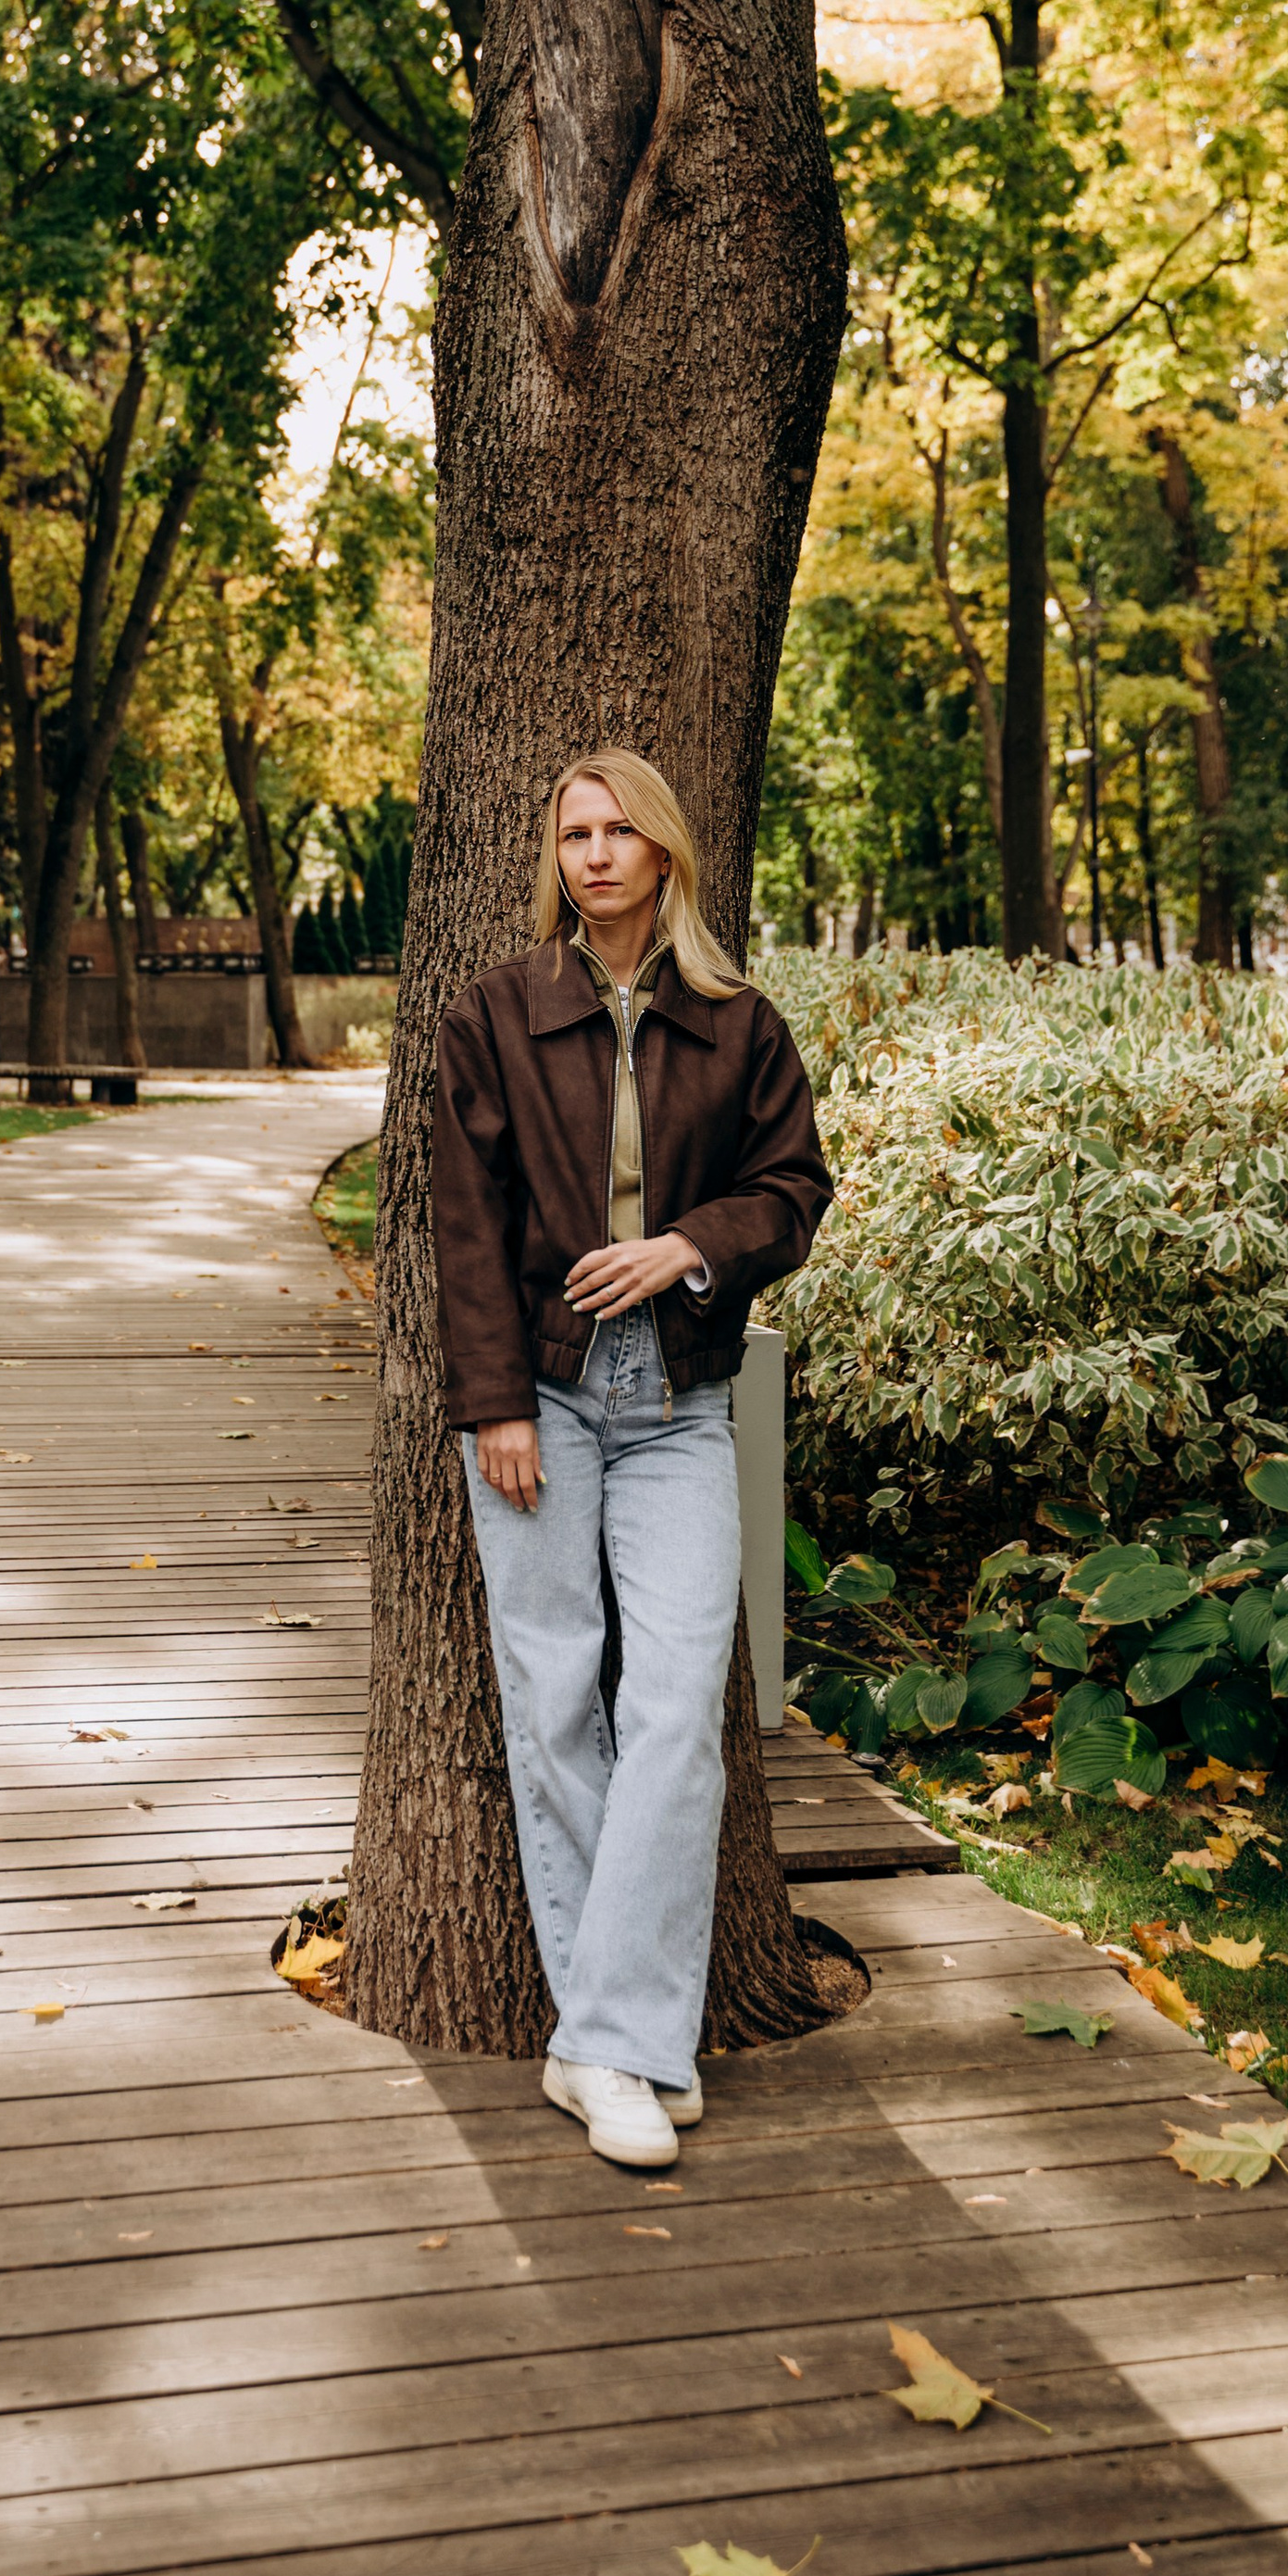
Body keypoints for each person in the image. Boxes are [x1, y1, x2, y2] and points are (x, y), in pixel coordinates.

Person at [430, 748, 832, 2168]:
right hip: (538, 1393)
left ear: (665, 856)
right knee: (553, 1704)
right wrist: (494, 1405)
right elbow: (463, 1228)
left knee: (669, 1705)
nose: (596, 854)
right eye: (574, 831)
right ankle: (621, 2051)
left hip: (680, 1403)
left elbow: (795, 1189)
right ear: (558, 856)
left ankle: (602, 2043)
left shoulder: (736, 1022)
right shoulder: (497, 1013)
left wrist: (689, 1247)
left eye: (622, 833)